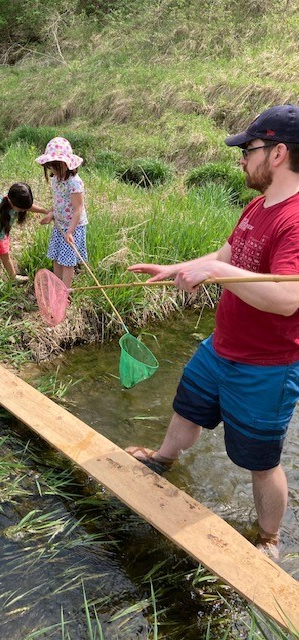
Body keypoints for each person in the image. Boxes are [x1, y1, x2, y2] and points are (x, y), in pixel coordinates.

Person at [125, 104, 299, 560]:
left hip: (265, 367)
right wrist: (177, 268)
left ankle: (269, 537)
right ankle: (162, 459)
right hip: (220, 348)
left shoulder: (297, 220)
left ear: (278, 153)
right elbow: (224, 255)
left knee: (261, 463)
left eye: (250, 148)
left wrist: (218, 273)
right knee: (187, 407)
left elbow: (287, 300)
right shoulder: (257, 206)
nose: (242, 158)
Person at [35, 137, 88, 289]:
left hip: (73, 227)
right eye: (49, 167)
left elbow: (78, 209)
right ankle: (56, 284)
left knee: (67, 261)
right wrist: (51, 214)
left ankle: (64, 291)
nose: (52, 170)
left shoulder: (74, 183)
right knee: (56, 257)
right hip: (60, 224)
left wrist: (70, 231)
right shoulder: (56, 179)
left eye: (55, 166)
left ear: (66, 164)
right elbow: (59, 203)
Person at [0, 182, 49, 284]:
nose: (22, 211)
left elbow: (29, 207)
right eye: (21, 209)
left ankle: (13, 277)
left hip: (2, 236)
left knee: (6, 256)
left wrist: (44, 211)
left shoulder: (18, 203)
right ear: (12, 203)